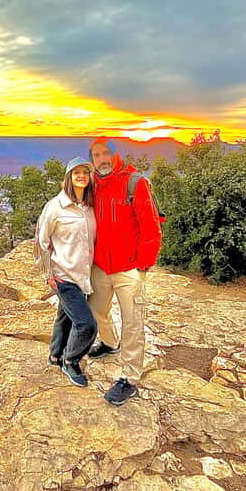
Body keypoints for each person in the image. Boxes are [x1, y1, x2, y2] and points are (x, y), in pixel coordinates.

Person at [86, 138, 163, 405]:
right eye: (97, 155)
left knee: (133, 323)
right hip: (100, 266)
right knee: (96, 311)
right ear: (92, 160)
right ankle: (109, 343)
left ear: (117, 155)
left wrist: (143, 265)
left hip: (129, 267)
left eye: (107, 153)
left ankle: (129, 378)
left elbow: (151, 227)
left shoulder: (135, 183)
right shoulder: (92, 186)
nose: (102, 159)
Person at [33, 157, 98, 387]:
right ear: (68, 177)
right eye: (76, 172)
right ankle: (71, 361)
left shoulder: (89, 206)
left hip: (83, 275)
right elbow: (41, 242)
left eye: (85, 172)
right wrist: (48, 274)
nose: (81, 176)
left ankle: (55, 355)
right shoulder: (55, 207)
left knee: (66, 316)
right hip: (63, 275)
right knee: (86, 325)